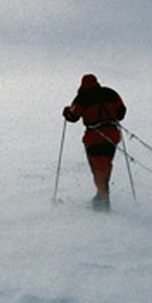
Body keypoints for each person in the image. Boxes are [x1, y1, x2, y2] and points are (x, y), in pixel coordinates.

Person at [62, 74, 126, 210]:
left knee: (97, 167)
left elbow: (73, 116)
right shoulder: (110, 93)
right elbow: (121, 112)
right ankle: (102, 193)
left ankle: (103, 199)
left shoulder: (82, 98)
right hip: (112, 135)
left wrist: (66, 112)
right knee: (106, 164)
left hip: (94, 137)